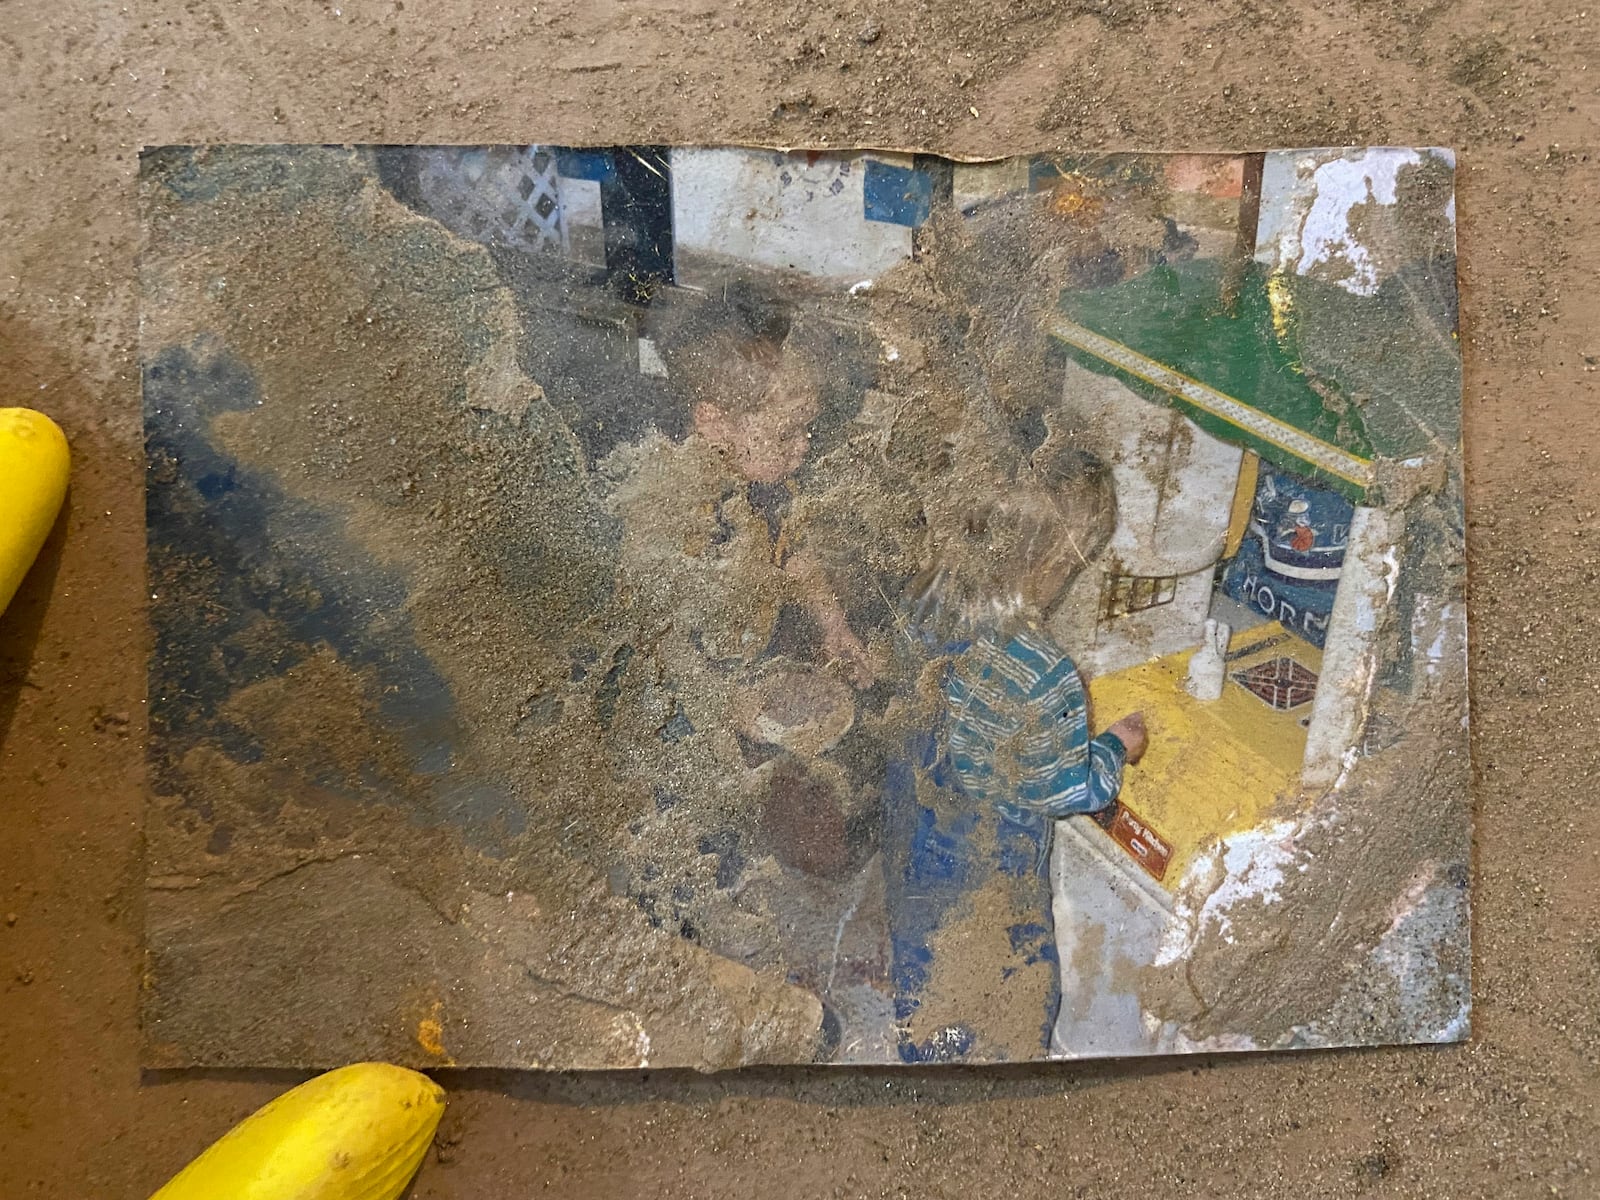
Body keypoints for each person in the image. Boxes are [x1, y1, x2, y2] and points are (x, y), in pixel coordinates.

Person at [882, 444, 1148, 1063]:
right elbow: (1066, 787)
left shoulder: (925, 594)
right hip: (987, 858)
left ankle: (929, 1054)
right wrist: (1113, 745)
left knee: (925, 952)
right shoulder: (1043, 673)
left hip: (914, 826)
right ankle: (998, 1062)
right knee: (1015, 975)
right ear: (1052, 564)